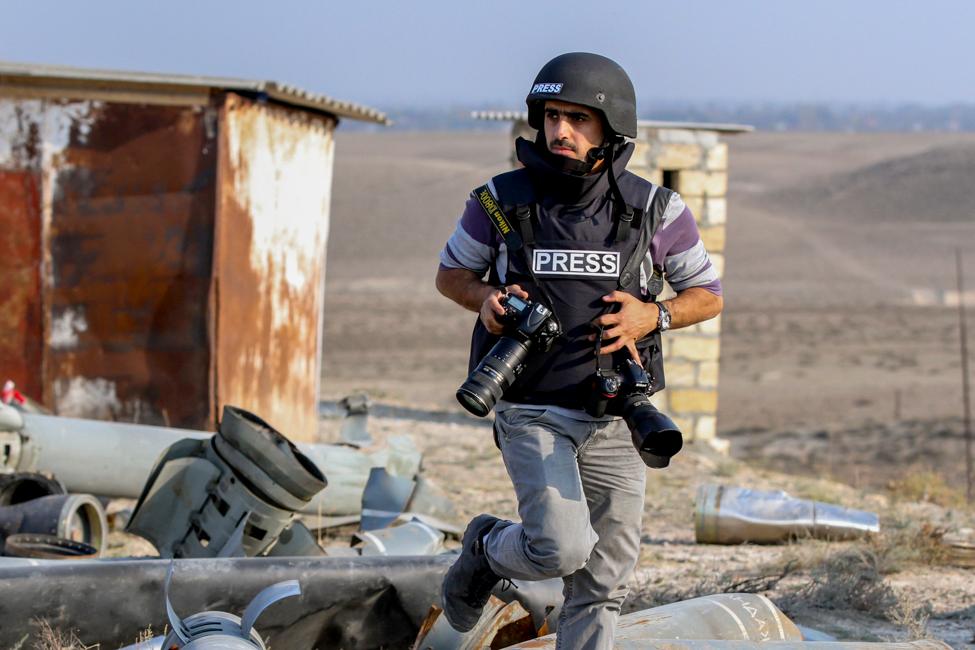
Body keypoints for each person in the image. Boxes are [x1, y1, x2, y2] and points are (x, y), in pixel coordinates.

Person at [436, 52, 723, 648]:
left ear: (611, 127)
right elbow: (451, 276)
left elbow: (708, 294)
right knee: (561, 547)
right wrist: (486, 298)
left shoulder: (657, 209)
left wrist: (656, 314)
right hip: (531, 407)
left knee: (604, 580)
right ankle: (487, 549)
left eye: (577, 119)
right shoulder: (496, 200)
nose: (559, 131)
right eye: (551, 116)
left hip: (620, 415)